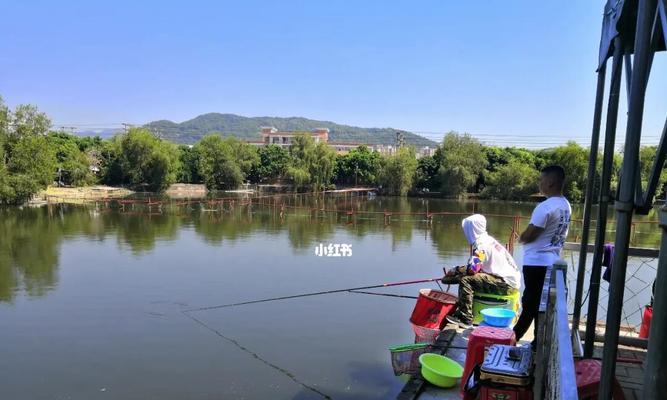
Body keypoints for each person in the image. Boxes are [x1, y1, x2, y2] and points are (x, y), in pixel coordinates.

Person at [513, 165, 571, 340]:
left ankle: (511, 340)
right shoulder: (565, 205)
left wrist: (520, 238)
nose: (540, 183)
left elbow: (530, 235)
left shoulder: (546, 207)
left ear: (551, 182)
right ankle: (537, 343)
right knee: (541, 305)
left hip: (536, 264)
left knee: (530, 304)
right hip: (551, 262)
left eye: (541, 179)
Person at [443, 214, 522, 329]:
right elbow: (476, 266)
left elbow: (472, 270)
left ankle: (465, 319)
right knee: (469, 277)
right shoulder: (489, 240)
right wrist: (458, 270)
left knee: (466, 281)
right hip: (509, 280)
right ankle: (466, 311)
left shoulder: (481, 246)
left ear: (472, 229)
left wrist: (456, 271)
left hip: (505, 284)